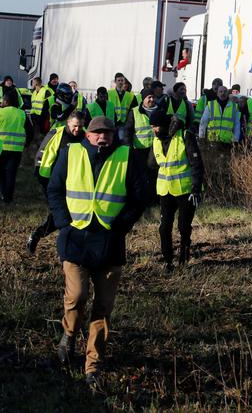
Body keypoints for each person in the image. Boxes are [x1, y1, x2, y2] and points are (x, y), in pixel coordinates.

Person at [46, 116, 146, 388]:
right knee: (77, 297)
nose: (102, 137)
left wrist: (121, 226)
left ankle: (93, 366)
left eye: (108, 133)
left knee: (103, 308)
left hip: (109, 243)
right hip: (75, 240)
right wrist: (64, 223)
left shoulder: (128, 156)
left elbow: (140, 197)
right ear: (87, 135)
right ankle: (69, 334)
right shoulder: (71, 153)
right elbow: (54, 190)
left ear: (114, 136)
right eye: (97, 132)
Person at [148, 109, 204, 272]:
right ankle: (167, 261)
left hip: (186, 190)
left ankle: (184, 254)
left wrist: (196, 189)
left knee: (183, 225)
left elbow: (197, 164)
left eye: (156, 126)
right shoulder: (156, 140)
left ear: (165, 125)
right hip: (165, 191)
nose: (154, 130)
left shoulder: (185, 136)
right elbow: (151, 164)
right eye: (152, 127)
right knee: (164, 227)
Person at [28, 112, 85, 253]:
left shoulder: (84, 137)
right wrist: (40, 174)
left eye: (80, 126)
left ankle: (39, 236)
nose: (77, 129)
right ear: (68, 123)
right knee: (61, 213)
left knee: (65, 214)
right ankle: (44, 238)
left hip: (74, 183)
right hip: (53, 181)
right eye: (75, 126)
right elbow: (42, 152)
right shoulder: (57, 134)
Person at [0, 90, 33, 203]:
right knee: (11, 174)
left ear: (6, 101)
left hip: (1, 148)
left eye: (3, 100)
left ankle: (2, 194)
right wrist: (27, 143)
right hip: (16, 150)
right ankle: (8, 198)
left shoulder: (1, 112)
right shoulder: (22, 114)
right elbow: (30, 131)